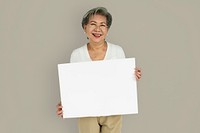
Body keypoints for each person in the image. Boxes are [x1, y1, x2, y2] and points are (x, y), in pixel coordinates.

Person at [56, 7, 142, 133]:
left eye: (102, 25)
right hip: (87, 111)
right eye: (93, 24)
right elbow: (74, 86)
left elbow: (122, 84)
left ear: (107, 29)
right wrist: (66, 104)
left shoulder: (117, 51)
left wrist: (133, 76)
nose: (97, 29)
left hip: (113, 110)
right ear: (85, 27)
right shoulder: (77, 54)